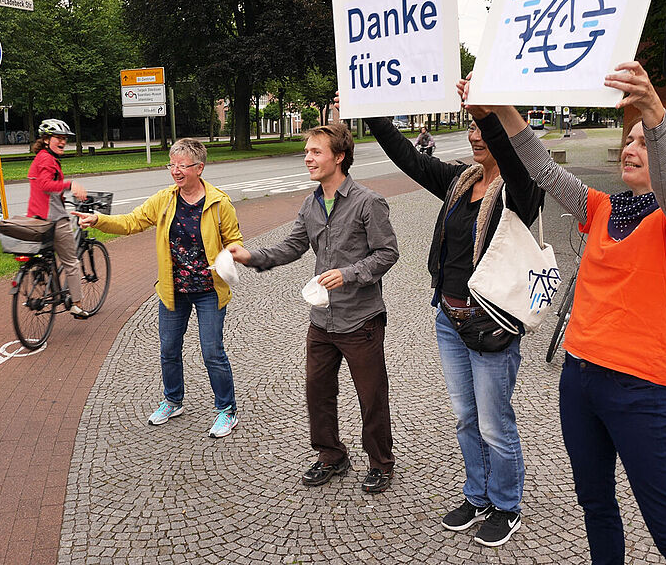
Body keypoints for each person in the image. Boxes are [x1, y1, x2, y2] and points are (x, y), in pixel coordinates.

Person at [461, 62, 666, 564]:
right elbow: (543, 169)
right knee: (595, 504)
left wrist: (653, 108)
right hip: (579, 379)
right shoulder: (600, 207)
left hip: (640, 387)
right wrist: (500, 105)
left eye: (643, 142)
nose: (630, 148)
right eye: (628, 139)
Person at [356, 98, 543, 545]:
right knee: (465, 417)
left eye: (483, 128)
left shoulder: (522, 189)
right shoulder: (461, 181)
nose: (474, 135)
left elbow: (510, 155)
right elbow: (409, 158)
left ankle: (506, 505)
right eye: (471, 127)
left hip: (492, 323)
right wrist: (370, 109)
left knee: (494, 421)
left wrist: (486, 113)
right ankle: (478, 496)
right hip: (450, 318)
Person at [227, 123, 400, 494]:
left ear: (339, 157)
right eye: (307, 151)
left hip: (361, 320)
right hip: (322, 319)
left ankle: (381, 463)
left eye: (316, 151)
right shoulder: (311, 203)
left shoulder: (368, 202)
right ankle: (331, 455)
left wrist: (349, 273)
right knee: (317, 391)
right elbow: (292, 246)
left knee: (371, 396)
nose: (307, 158)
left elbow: (387, 253)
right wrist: (251, 256)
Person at [73, 138, 243, 438]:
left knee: (212, 351)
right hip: (172, 289)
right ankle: (173, 401)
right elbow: (131, 222)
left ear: (199, 168)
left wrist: (231, 254)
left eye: (182, 165)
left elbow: (234, 239)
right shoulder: (164, 200)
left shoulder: (219, 203)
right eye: (172, 165)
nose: (176, 171)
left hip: (208, 289)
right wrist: (98, 219)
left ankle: (226, 410)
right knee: (168, 349)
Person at [28, 119, 90, 319]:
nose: (63, 142)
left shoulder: (40, 157)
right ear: (46, 139)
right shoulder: (47, 159)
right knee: (71, 262)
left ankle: (41, 276)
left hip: (36, 217)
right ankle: (77, 305)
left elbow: (42, 187)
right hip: (54, 219)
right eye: (58, 138)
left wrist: (62, 194)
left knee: (47, 257)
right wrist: (70, 185)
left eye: (64, 138)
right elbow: (46, 185)